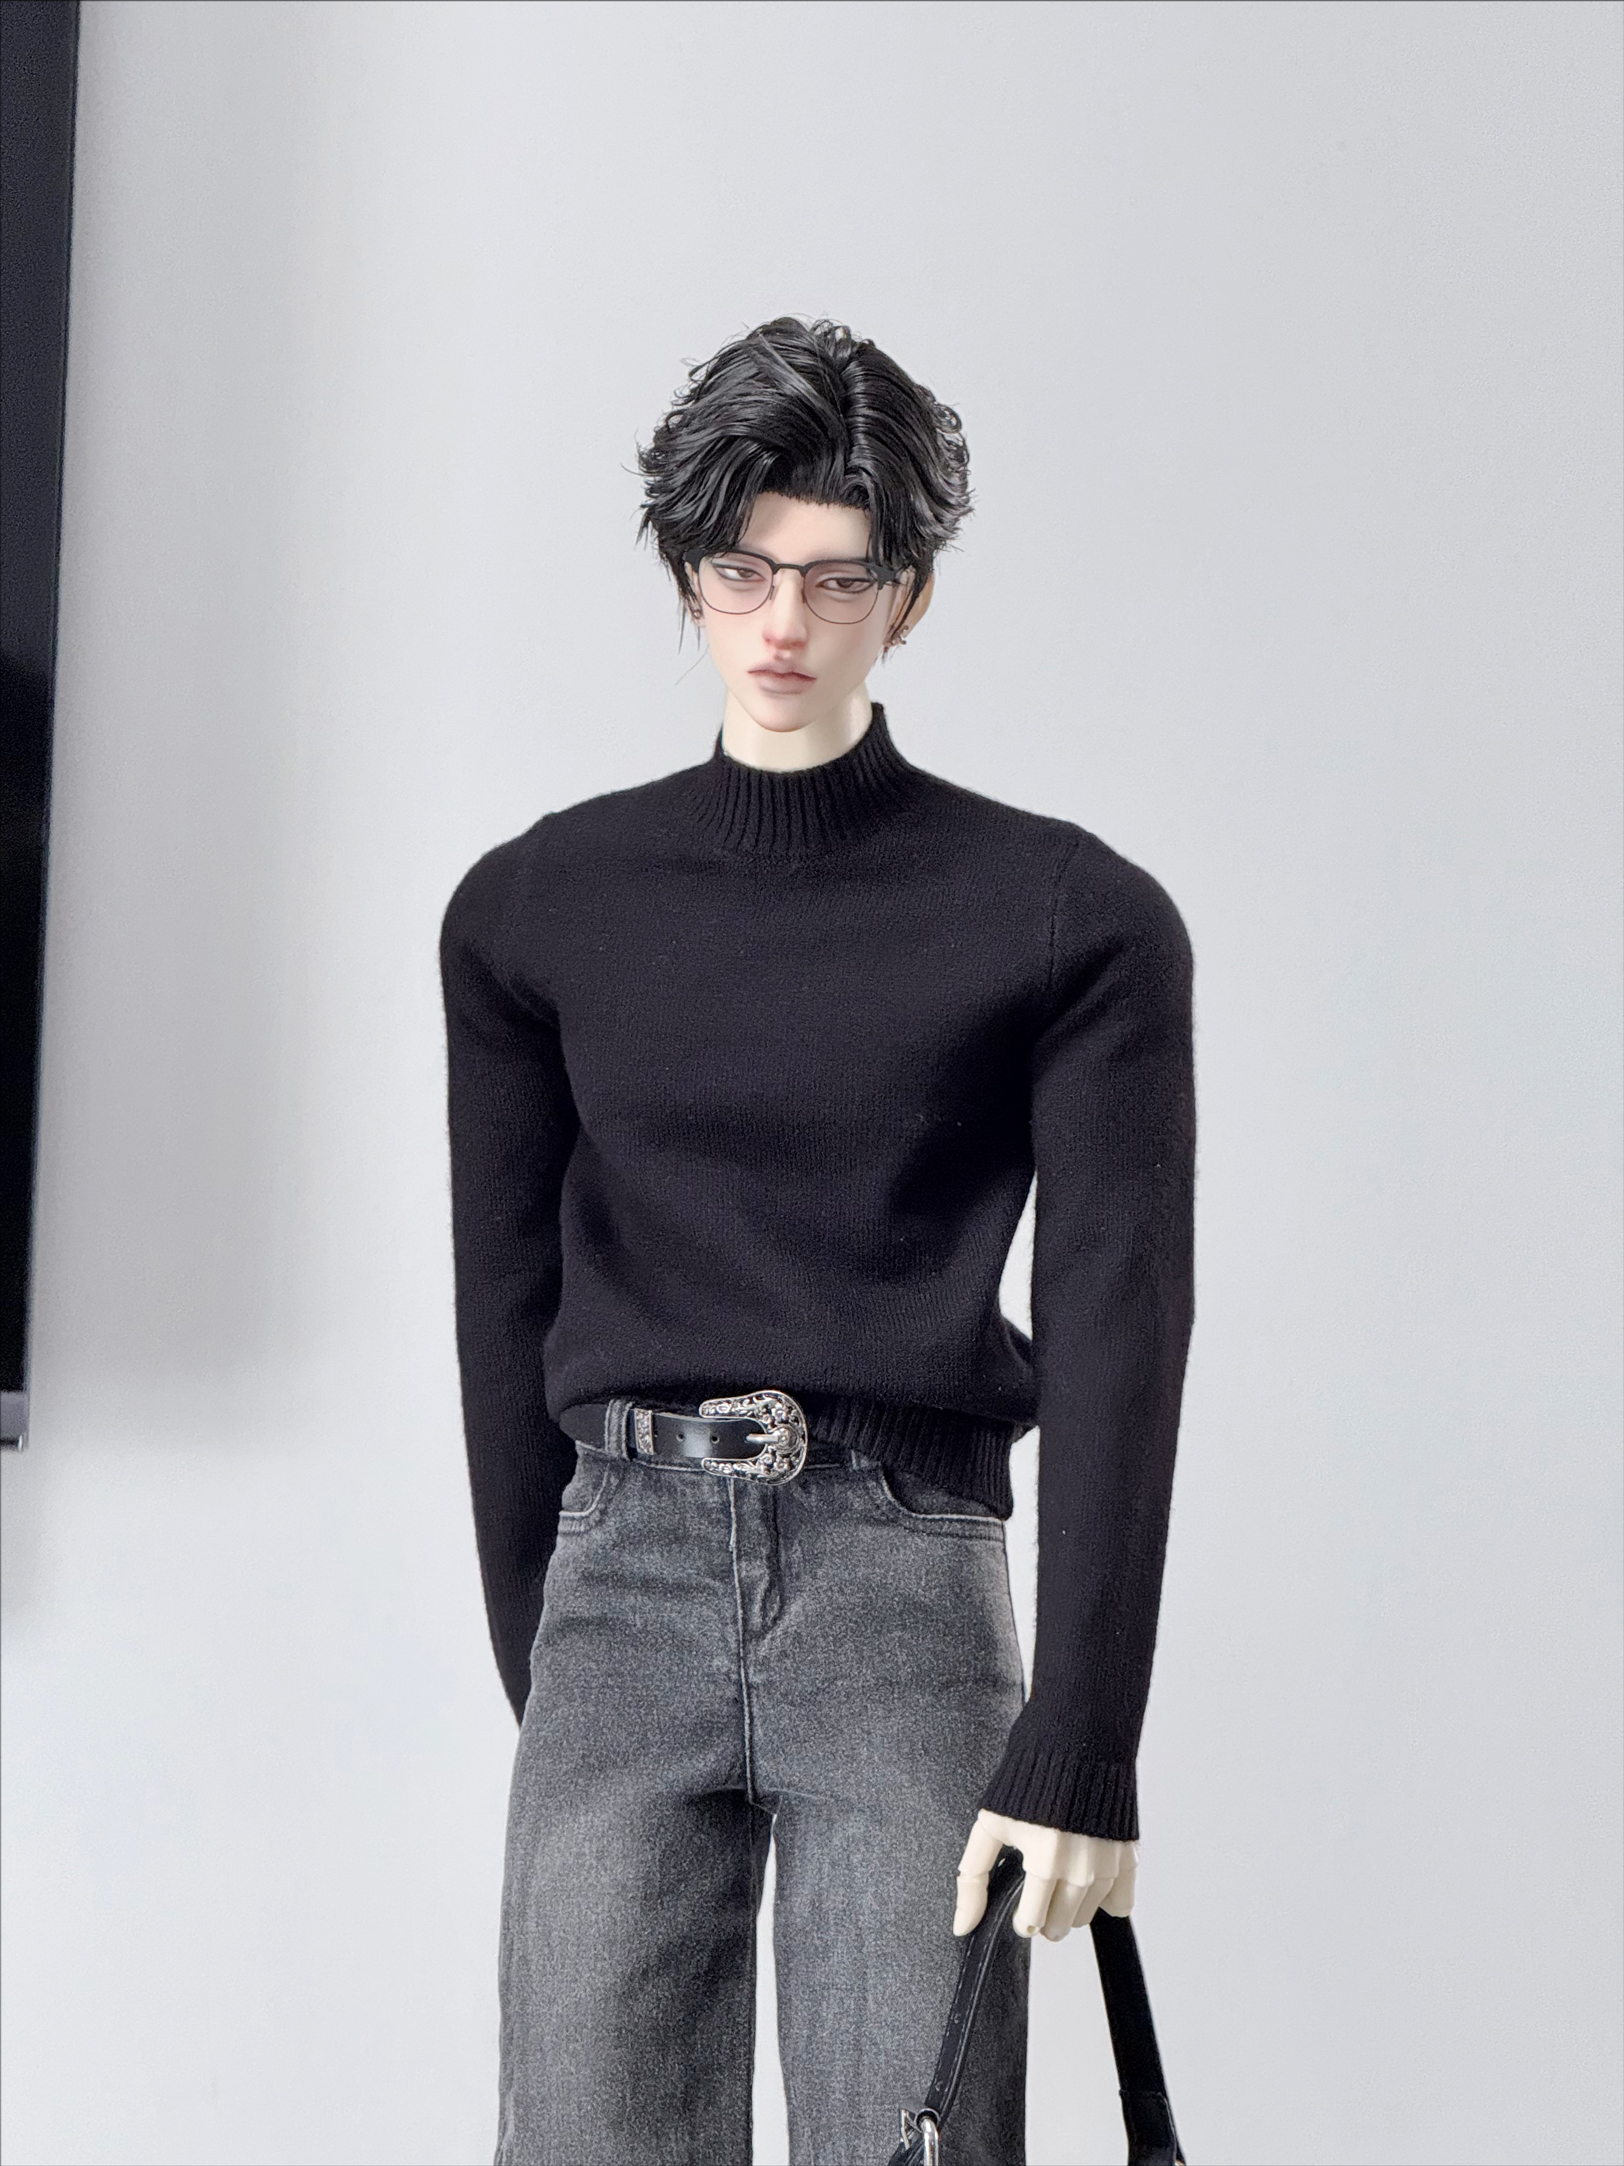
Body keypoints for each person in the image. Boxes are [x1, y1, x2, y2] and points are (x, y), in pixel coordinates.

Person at [438, 316, 1197, 2166]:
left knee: (911, 2145)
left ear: (908, 596)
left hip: (903, 1584)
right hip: (618, 1576)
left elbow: (1119, 1321)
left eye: (838, 578)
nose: (784, 621)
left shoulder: (1070, 919)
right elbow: (503, 1298)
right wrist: (548, 1638)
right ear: (688, 570)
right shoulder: (535, 910)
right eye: (741, 569)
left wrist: (1085, 1732)